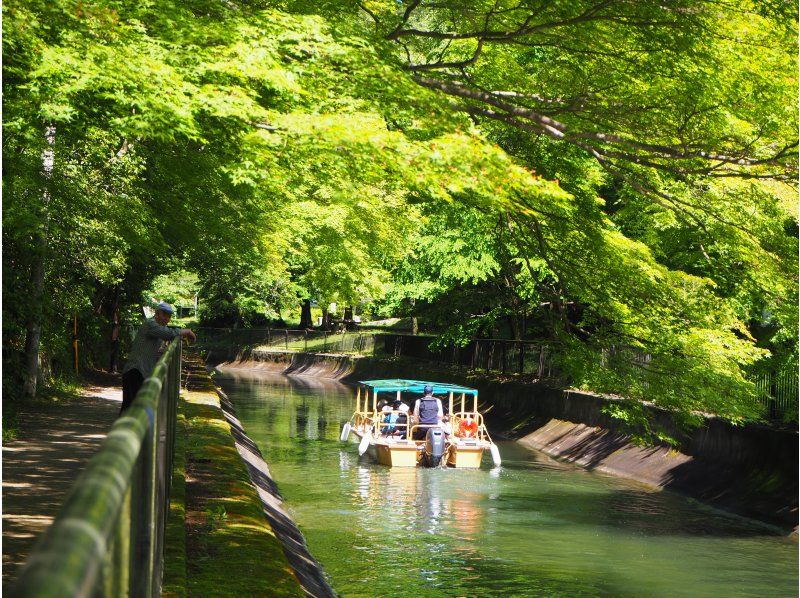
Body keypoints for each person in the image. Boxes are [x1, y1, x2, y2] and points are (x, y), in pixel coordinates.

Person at [120, 302, 196, 414]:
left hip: (141, 371)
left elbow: (166, 334)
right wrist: (187, 332)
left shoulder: (157, 326)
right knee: (131, 407)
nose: (167, 318)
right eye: (164, 314)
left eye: (169, 316)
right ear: (157, 313)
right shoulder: (150, 324)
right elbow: (168, 334)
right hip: (135, 371)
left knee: (133, 407)